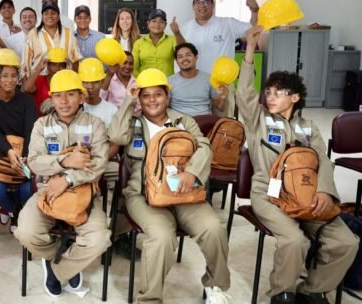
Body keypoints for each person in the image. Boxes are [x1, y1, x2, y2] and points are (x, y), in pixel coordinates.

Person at [237, 26, 359, 304]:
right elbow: (244, 93)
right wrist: (250, 50)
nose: (270, 96)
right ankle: (282, 294)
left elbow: (323, 162)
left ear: (295, 97)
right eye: (268, 91)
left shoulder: (309, 128)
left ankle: (313, 291)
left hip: (307, 196)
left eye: (278, 92)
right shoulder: (258, 120)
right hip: (268, 194)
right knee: (295, 241)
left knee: (346, 242)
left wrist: (325, 193)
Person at [108, 68, 231, 304]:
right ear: (139, 98)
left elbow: (204, 147)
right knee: (162, 237)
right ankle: (150, 299)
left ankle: (215, 286)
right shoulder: (132, 123)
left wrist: (192, 172)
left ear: (167, 96)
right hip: (143, 196)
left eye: (158, 94)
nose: (152, 100)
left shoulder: (183, 122)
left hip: (184, 193)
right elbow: (116, 137)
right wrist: (128, 101)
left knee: (213, 228)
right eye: (145, 95)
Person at [15, 70, 111, 297]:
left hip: (85, 193)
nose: (64, 101)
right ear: (51, 98)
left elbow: (99, 164)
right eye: (58, 95)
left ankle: (58, 268)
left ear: (81, 96)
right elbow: (35, 162)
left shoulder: (95, 124)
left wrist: (68, 179)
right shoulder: (41, 125)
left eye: (70, 94)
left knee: (100, 239)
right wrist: (64, 161)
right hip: (48, 191)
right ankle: (56, 256)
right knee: (26, 232)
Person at [0, 49, 36, 231]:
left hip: (24, 155)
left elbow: (30, 130)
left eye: (13, 76)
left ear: (19, 78)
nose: (9, 80)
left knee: (28, 190)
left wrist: (25, 156)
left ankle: (17, 211)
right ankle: (15, 210)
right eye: (5, 75)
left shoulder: (27, 101)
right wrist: (9, 152)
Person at [178, 0, 258, 74]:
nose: (202, 5)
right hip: (195, 82)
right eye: (198, 2)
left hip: (223, 83)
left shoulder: (228, 24)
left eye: (206, 2)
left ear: (213, 4)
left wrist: (255, 12)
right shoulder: (184, 30)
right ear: (193, 6)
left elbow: (253, 29)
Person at [21, 0, 82, 80]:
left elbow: (76, 59)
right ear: (42, 16)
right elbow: (25, 64)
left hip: (65, 80)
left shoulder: (68, 33)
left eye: (53, 13)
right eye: (46, 13)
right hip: (40, 81)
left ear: (58, 16)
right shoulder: (33, 34)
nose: (49, 16)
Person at [168, 43, 228, 116]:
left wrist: (223, 98)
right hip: (180, 123)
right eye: (180, 57)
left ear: (196, 57)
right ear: (176, 61)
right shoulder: (169, 81)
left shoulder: (209, 78)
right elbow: (164, 107)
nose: (184, 59)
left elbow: (220, 108)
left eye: (188, 55)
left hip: (205, 122)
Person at [131, 9, 184, 76]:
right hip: (145, 84)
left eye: (161, 22)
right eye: (154, 21)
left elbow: (183, 49)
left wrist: (177, 33)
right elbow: (134, 67)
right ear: (148, 23)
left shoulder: (172, 39)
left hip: (167, 84)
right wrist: (141, 82)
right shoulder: (139, 43)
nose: (157, 24)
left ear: (165, 24)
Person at [21, 47, 68, 116]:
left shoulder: (68, 82)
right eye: (53, 65)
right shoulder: (41, 80)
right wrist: (39, 69)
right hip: (41, 121)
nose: (57, 69)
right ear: (48, 66)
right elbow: (26, 88)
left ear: (65, 67)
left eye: (61, 65)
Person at [78, 57, 118, 127]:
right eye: (86, 82)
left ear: (102, 82)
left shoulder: (112, 111)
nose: (90, 86)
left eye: (95, 82)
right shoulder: (74, 110)